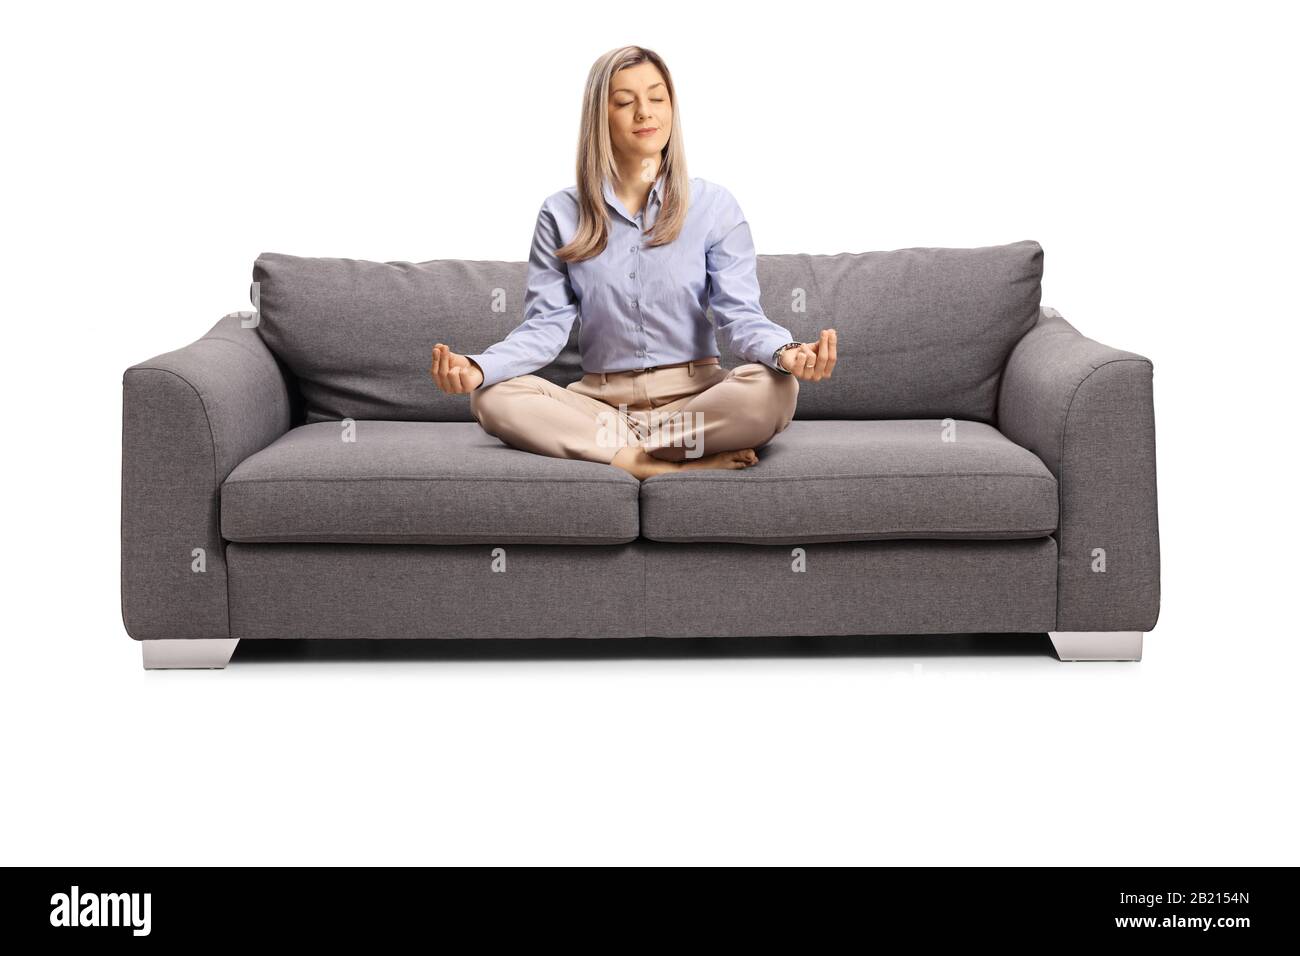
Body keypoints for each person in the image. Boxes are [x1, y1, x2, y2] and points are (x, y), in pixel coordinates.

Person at [431, 45, 837, 479]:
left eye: (657, 98)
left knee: (774, 388)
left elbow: (739, 317)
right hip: (600, 408)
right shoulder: (560, 213)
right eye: (625, 102)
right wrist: (478, 368)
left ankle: (629, 454)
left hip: (696, 402)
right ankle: (651, 463)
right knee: (493, 398)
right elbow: (544, 328)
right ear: (600, 117)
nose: (645, 112)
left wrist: (787, 351)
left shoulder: (713, 206)